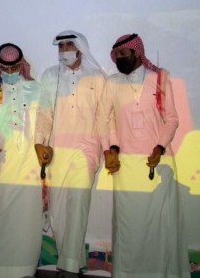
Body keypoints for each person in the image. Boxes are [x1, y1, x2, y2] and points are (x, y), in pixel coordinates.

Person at [98, 33, 189, 278]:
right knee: (128, 227)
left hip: (157, 163)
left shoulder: (159, 79)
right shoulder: (112, 83)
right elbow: (103, 119)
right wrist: (109, 149)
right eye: (116, 55)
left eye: (123, 54)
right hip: (126, 166)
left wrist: (160, 147)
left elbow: (172, 119)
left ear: (137, 53)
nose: (119, 58)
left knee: (160, 226)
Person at [35, 30, 106, 276]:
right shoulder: (50, 75)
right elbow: (44, 113)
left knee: (77, 206)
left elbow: (104, 117)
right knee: (56, 210)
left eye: (69, 45)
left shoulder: (97, 78)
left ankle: (70, 266)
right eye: (61, 46)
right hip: (57, 150)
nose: (64, 50)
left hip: (86, 150)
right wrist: (39, 143)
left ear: (80, 48)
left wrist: (108, 149)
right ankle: (71, 259)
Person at [0, 43, 44, 278]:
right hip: (2, 162)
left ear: (21, 66)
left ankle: (26, 268)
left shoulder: (35, 88)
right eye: (5, 68)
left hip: (30, 163)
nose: (9, 72)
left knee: (27, 219)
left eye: (14, 68)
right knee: (0, 216)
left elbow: (45, 123)